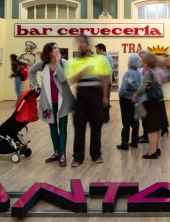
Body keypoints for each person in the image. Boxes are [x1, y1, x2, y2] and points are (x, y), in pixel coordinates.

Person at [66, 35, 112, 167]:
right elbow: (71, 81)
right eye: (78, 43)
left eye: (82, 42)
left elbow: (105, 79)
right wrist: (82, 72)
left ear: (88, 44)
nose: (80, 45)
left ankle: (96, 154)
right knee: (79, 128)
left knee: (96, 127)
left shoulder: (100, 59)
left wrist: (105, 97)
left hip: (96, 99)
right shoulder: (74, 62)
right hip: (81, 100)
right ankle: (77, 157)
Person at [30, 43, 75, 167]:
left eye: (57, 47)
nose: (57, 49)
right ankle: (56, 152)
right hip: (47, 103)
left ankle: (62, 155)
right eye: (55, 48)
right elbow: (31, 71)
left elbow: (62, 79)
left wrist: (58, 61)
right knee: (52, 129)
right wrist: (35, 85)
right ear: (49, 52)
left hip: (63, 102)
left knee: (63, 129)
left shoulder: (64, 63)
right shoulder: (43, 64)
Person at [132, 53, 169, 159]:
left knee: (151, 128)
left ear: (146, 62)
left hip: (151, 103)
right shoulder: (158, 71)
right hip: (159, 101)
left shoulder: (148, 73)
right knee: (158, 127)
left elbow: (142, 88)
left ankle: (152, 152)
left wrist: (135, 95)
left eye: (143, 61)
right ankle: (157, 149)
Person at [116, 54, 142, 150]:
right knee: (135, 122)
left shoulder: (128, 74)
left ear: (130, 63)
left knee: (126, 122)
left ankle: (124, 143)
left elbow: (123, 88)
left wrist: (120, 95)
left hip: (126, 100)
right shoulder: (140, 74)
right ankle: (135, 142)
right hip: (136, 100)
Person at [95, 43, 115, 123]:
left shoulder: (108, 58)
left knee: (106, 99)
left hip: (106, 83)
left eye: (97, 50)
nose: (96, 52)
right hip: (99, 83)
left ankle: (106, 118)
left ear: (101, 50)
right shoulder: (100, 58)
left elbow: (110, 70)